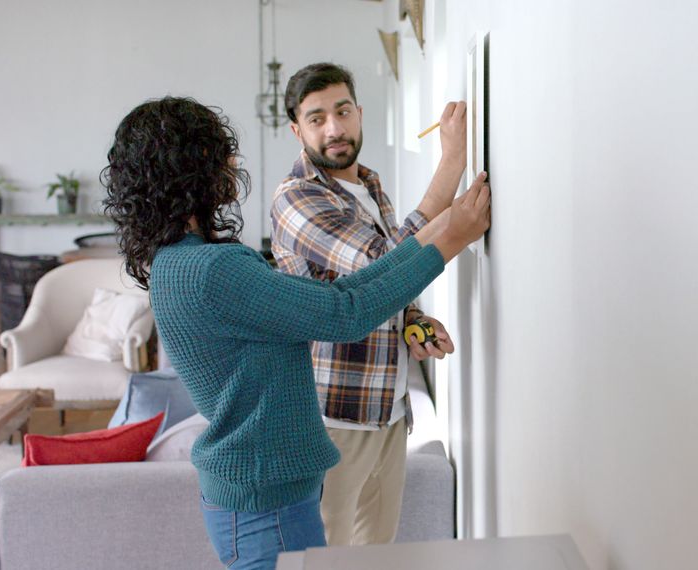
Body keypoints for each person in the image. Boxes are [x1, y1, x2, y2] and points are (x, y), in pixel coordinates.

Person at [101, 96, 490, 569]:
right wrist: (445, 242)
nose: (232, 160)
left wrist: (438, 236)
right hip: (267, 503)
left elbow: (340, 297)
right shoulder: (212, 270)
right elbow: (344, 314)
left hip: (258, 495)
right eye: (221, 149)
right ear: (193, 165)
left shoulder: (176, 263)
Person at [270, 62, 467, 545]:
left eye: (342, 111)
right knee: (328, 555)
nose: (334, 128)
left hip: (388, 408)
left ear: (359, 113)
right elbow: (384, 261)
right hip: (332, 416)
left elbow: (385, 289)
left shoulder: (369, 186)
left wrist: (414, 322)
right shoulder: (295, 199)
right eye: (316, 118)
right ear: (297, 130)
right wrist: (452, 164)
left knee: (376, 554)